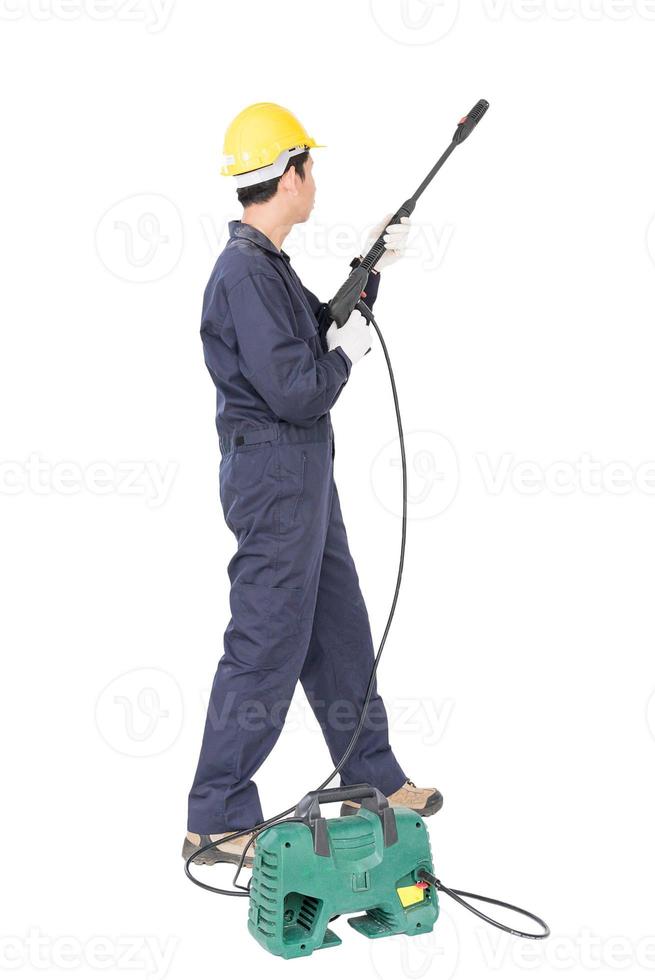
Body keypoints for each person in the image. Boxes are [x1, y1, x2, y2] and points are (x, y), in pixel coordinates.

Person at [183, 103, 442, 868]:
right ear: (290, 174)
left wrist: (368, 275)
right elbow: (301, 386)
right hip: (275, 473)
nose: (315, 179)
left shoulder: (265, 268)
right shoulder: (242, 273)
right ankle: (216, 816)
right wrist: (348, 357)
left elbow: (317, 335)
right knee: (267, 638)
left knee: (337, 627)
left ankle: (375, 778)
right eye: (311, 167)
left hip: (297, 471)